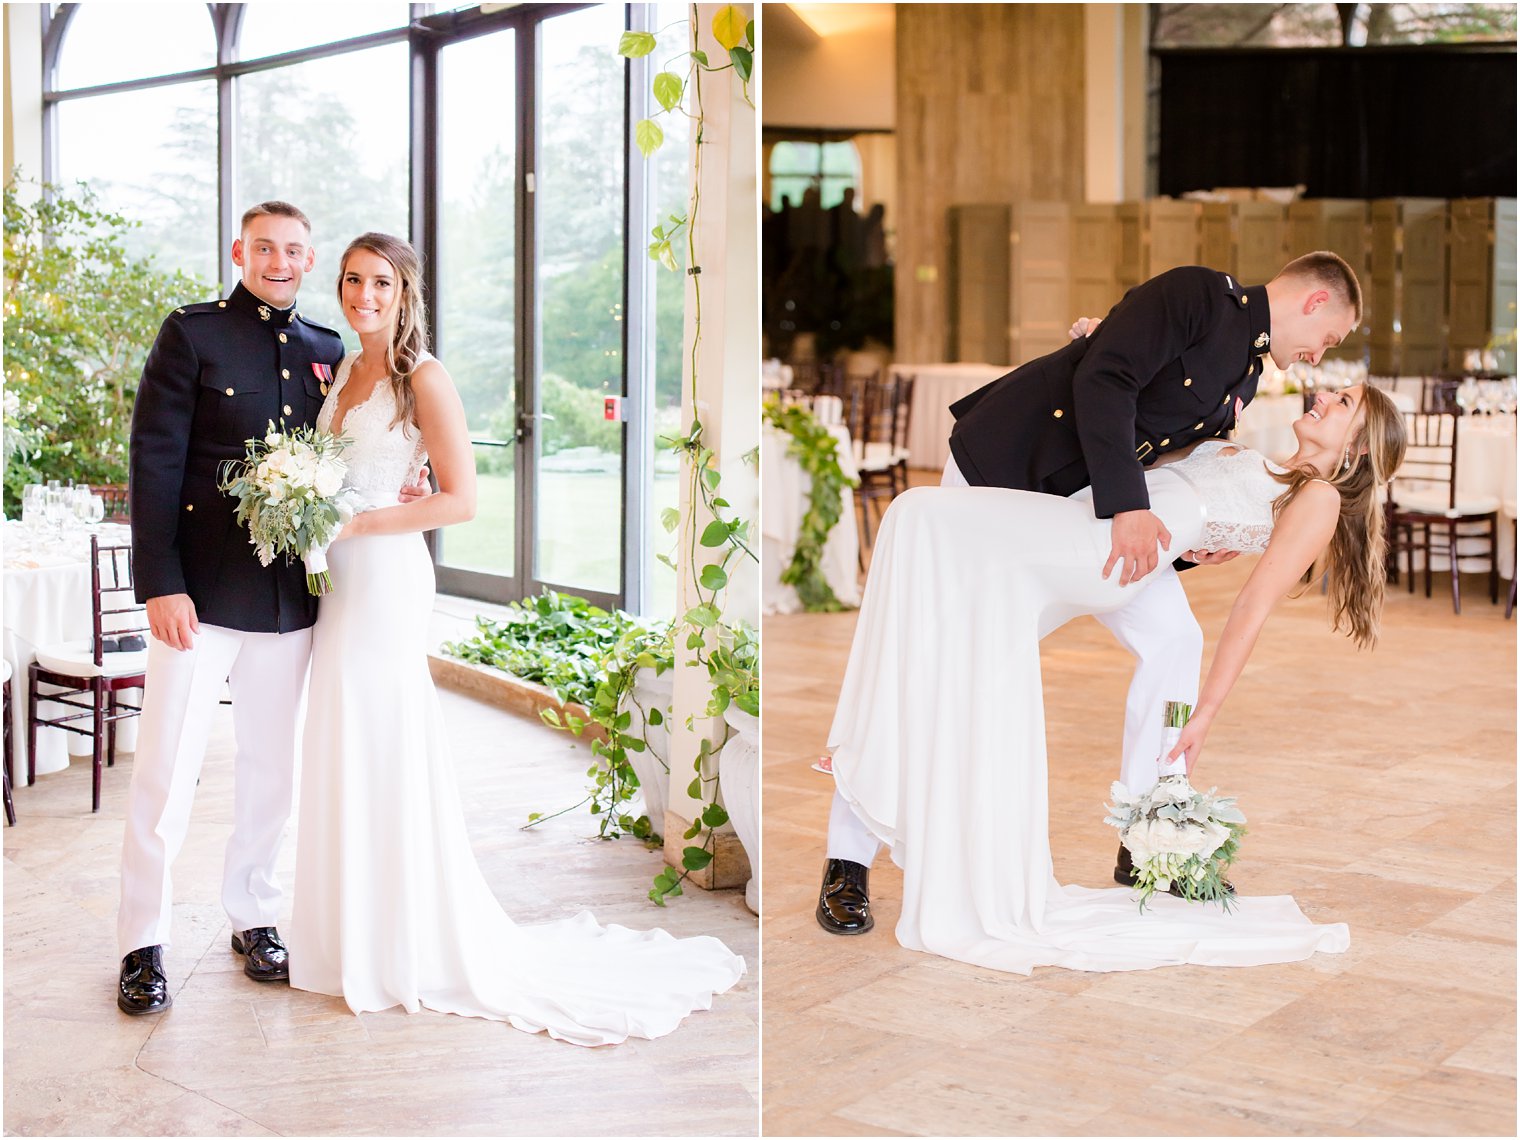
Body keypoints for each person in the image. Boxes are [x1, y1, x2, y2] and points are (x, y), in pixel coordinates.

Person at [817, 251, 1365, 934]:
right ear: (1315, 303)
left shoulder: (1247, 374)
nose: (1319, 356)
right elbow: (1107, 379)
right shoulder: (1197, 295)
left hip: (1089, 516)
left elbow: (1166, 450)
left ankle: (1148, 842)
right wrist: (1132, 501)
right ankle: (848, 862)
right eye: (1330, 338)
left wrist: (1194, 537)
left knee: (1175, 638)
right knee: (934, 647)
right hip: (1010, 466)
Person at [286, 233, 744, 1046]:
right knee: (341, 736)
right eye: (354, 279)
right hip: (339, 582)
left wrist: (357, 518)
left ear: (406, 292)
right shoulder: (346, 371)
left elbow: (459, 499)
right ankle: (347, 934)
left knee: (384, 737)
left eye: (380, 282)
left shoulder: (422, 376)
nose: (364, 294)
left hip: (385, 577)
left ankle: (403, 940)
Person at [118, 202, 428, 1015]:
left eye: (294, 249)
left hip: (293, 600)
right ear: (240, 251)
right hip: (201, 594)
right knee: (166, 769)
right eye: (266, 248)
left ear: (308, 256)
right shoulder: (191, 335)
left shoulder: (331, 351)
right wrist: (159, 580)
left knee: (270, 769)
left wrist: (411, 479)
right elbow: (152, 458)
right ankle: (142, 940)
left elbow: (357, 458)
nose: (280, 262)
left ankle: (253, 915)